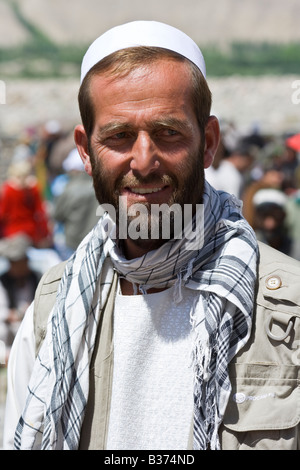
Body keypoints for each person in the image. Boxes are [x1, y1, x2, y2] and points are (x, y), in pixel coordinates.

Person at [3, 21, 300, 451]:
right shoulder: (52, 313)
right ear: (86, 151)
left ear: (208, 142)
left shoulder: (289, 312)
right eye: (120, 136)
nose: (143, 162)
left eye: (168, 133)